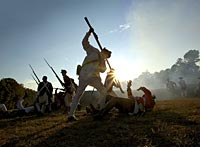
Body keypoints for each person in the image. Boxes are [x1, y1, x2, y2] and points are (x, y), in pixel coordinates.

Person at [68, 28, 112, 121]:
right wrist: (89, 33)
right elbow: (84, 43)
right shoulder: (94, 51)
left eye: (107, 57)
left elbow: (103, 71)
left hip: (94, 77)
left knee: (104, 92)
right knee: (78, 94)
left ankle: (102, 110)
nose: (106, 57)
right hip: (84, 75)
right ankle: (71, 115)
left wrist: (104, 62)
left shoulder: (103, 61)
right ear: (103, 51)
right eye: (106, 55)